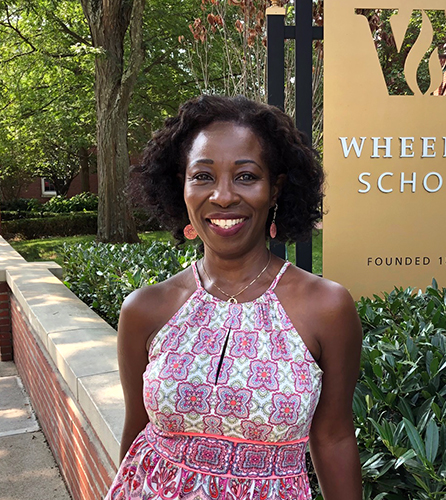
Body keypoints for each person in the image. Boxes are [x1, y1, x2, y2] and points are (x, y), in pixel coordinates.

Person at [105, 95, 363, 500]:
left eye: (245, 176)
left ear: (275, 188)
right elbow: (137, 434)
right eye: (203, 176)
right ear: (182, 186)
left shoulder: (325, 308)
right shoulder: (146, 309)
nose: (223, 196)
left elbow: (333, 439)